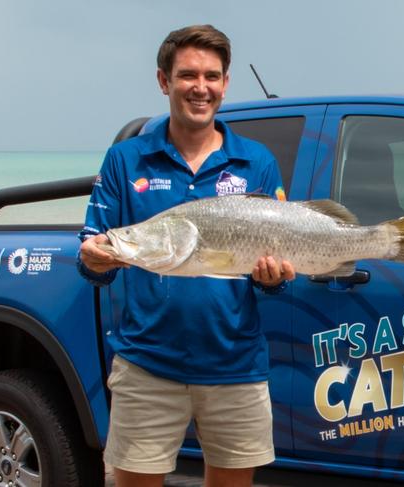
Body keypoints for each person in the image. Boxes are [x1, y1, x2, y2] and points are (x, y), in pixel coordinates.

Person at [77, 24, 295, 487]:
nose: (201, 88)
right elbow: (94, 251)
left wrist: (273, 277)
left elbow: (274, 274)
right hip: (146, 367)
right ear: (164, 81)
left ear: (225, 83)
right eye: (188, 75)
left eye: (212, 76)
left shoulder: (256, 162)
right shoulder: (125, 159)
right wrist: (94, 258)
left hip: (236, 366)